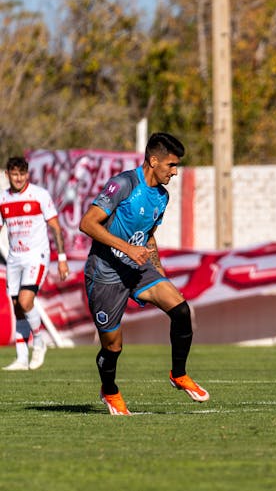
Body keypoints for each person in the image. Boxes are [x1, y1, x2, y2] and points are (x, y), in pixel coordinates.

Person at [79, 132, 208, 415]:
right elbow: (87, 223)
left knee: (181, 310)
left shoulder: (162, 196)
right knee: (113, 347)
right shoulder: (123, 184)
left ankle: (178, 374)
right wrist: (127, 248)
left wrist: (160, 273)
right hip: (106, 275)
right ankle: (109, 390)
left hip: (138, 269)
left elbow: (148, 237)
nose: (175, 172)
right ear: (153, 160)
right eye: (171, 165)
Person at [1, 157, 69, 371]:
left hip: (36, 256)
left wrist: (62, 259)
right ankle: (22, 359)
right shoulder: (2, 199)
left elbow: (56, 227)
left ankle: (39, 341)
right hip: (14, 258)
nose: (18, 178)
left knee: (25, 300)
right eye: (14, 174)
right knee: (17, 308)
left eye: (22, 174)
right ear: (7, 175)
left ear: (27, 174)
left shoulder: (40, 195)